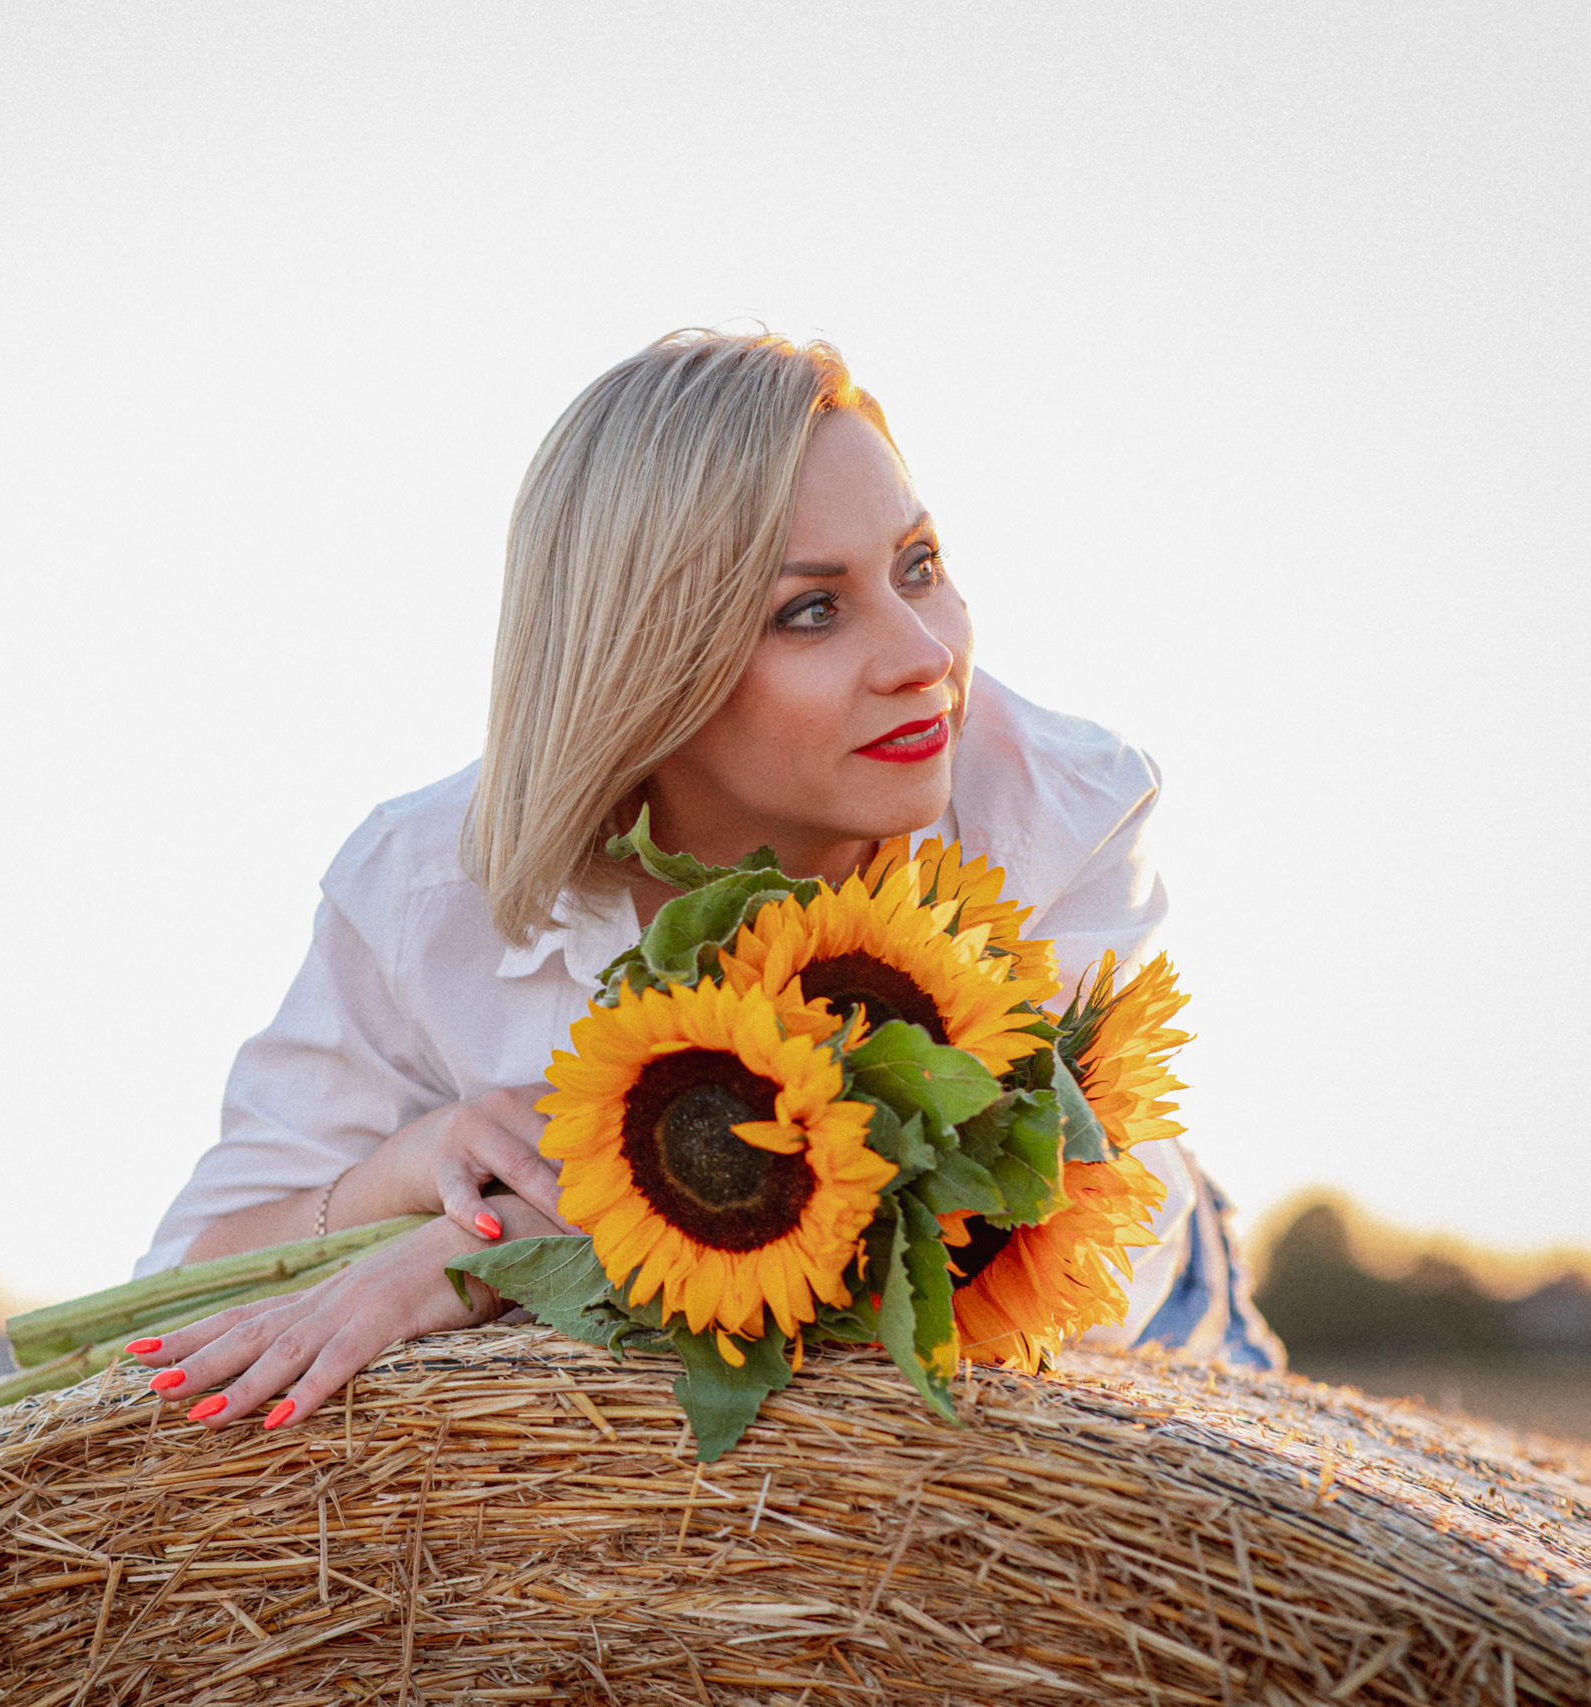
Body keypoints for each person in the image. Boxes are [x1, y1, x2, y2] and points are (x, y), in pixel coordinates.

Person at [127, 330, 1280, 1433]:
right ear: (648, 663)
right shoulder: (427, 891)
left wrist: (503, 1255)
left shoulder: (1054, 809)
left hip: (1137, 1327)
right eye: (811, 611)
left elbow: (976, 1254)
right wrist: (403, 1173)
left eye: (917, 566)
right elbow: (185, 1282)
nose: (927, 657)